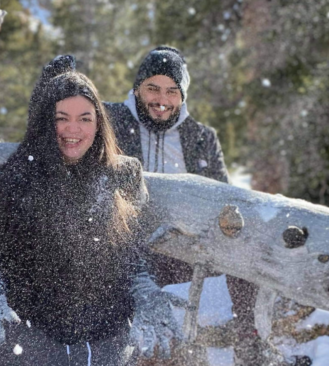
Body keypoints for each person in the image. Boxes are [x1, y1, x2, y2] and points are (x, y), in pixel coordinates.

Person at [0, 58, 186, 366]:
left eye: (85, 118)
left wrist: (145, 290)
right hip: (31, 340)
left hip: (107, 344)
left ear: (98, 123)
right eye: (62, 118)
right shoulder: (16, 177)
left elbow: (133, 256)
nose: (74, 129)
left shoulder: (124, 174)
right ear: (46, 121)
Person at [104, 46, 267, 364]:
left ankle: (249, 342)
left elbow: (225, 202)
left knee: (249, 241)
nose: (161, 99)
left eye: (171, 90)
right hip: (126, 243)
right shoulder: (110, 121)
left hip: (187, 247)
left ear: (183, 95)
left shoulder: (201, 137)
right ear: (137, 88)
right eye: (152, 87)